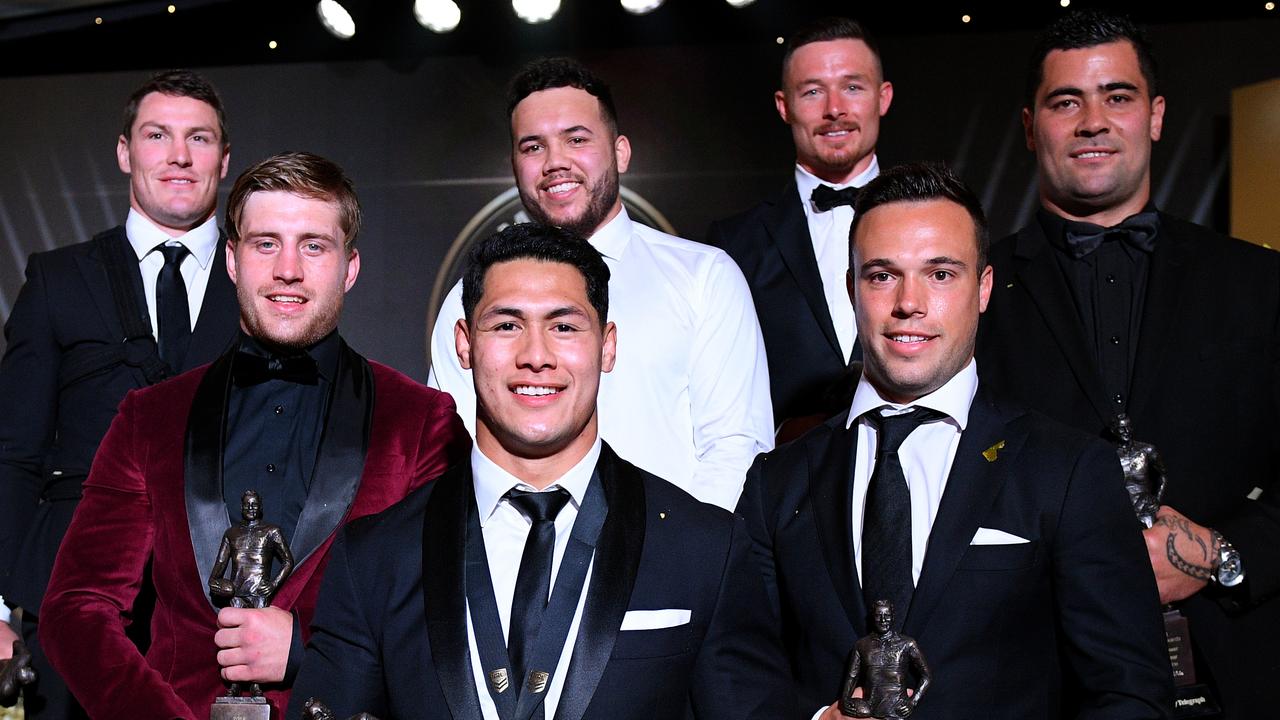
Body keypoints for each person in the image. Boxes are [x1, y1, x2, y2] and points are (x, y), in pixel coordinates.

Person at [292, 223, 793, 719]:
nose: (536, 356)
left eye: (565, 326)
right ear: (464, 344)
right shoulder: (373, 557)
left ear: (608, 345)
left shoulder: (706, 547)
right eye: (507, 325)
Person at [38, 151, 469, 719]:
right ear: (232, 261)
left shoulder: (420, 421)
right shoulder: (150, 416)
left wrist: (306, 649)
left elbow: (451, 614)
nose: (287, 268)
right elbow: (77, 606)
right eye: (266, 243)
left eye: (313, 245)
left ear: (351, 267)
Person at [737, 163, 1172, 719]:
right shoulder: (778, 481)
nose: (909, 302)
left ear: (983, 288)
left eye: (940, 274)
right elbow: (739, 667)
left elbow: (1130, 690)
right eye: (881, 275)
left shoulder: (1068, 471)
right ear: (852, 290)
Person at [974, 10, 1280, 717]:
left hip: (1237, 668)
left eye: (1117, 97)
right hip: (1035, 675)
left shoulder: (1258, 286)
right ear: (1029, 126)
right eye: (1065, 102)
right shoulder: (974, 295)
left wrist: (1220, 554)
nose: (1092, 121)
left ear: (1155, 116)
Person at [0, 69, 241, 717]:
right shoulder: (57, 279)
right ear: (125, 151)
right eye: (157, 135)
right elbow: (12, 451)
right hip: (70, 595)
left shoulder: (263, 283)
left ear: (224, 158)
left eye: (199, 137)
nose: (179, 155)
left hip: (215, 607)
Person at [428, 57, 772, 511]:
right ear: (514, 165)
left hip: (673, 563)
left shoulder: (702, 277)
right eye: (533, 147)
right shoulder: (470, 300)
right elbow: (450, 453)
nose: (555, 162)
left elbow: (735, 449)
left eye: (576, 139)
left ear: (620, 152)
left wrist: (681, 563)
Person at [707, 17, 892, 433]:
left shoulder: (936, 223)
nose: (834, 109)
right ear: (783, 105)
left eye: (852, 87)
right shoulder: (734, 243)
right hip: (787, 480)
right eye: (812, 91)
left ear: (883, 97)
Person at [838, 601, 929, 719]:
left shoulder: (907, 644)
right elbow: (852, 675)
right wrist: (845, 700)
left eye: (887, 616)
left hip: (898, 710)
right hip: (869, 709)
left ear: (893, 617)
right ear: (872, 617)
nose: (883, 620)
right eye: (878, 615)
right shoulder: (861, 645)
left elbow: (926, 675)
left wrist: (913, 701)